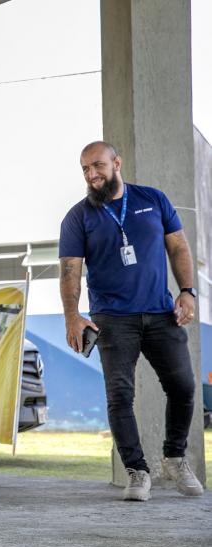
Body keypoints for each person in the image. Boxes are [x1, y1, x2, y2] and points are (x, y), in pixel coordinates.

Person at [59, 140, 203, 501]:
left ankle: (174, 458)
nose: (92, 175)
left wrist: (187, 291)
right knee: (120, 396)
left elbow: (179, 247)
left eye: (97, 166)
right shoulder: (78, 216)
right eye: (85, 170)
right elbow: (69, 273)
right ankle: (137, 471)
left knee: (184, 387)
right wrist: (72, 317)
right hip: (112, 318)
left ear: (116, 163)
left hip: (160, 312)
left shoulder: (153, 200)